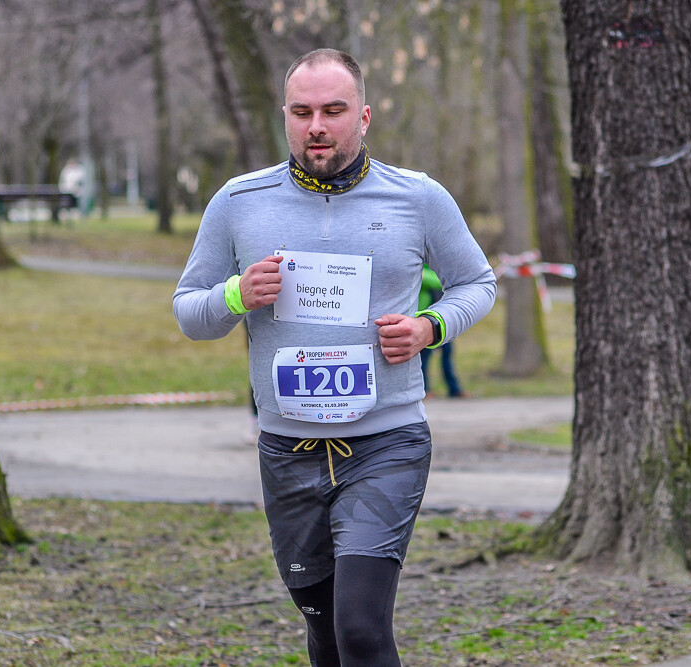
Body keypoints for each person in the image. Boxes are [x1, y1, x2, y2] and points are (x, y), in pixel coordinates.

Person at [174, 48, 496, 665]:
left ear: (365, 116)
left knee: (361, 630)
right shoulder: (240, 202)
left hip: (387, 441)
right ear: (286, 117)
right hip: (285, 451)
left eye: (333, 110)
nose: (316, 125)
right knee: (325, 635)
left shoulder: (418, 198)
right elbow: (190, 312)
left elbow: (478, 284)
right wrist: (238, 294)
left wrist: (429, 328)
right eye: (302, 112)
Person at [418, 265, 466, 398]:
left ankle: (454, 389)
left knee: (447, 354)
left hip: (442, 321)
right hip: (423, 321)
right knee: (424, 358)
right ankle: (425, 389)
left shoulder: (438, 266)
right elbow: (436, 281)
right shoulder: (420, 270)